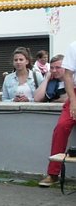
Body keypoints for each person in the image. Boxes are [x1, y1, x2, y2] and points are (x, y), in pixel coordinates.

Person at [38, 54, 71, 187]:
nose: (55, 70)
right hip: (72, 97)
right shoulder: (72, 48)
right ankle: (53, 174)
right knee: (61, 128)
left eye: (58, 67)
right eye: (53, 68)